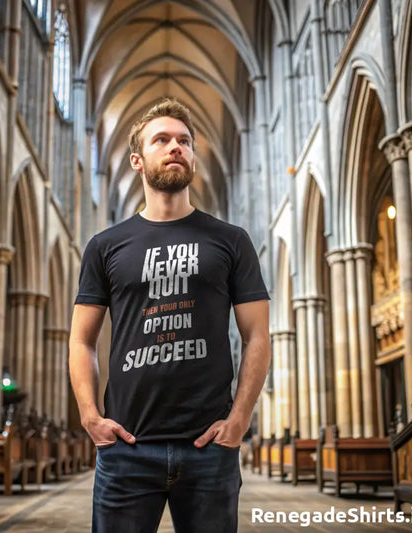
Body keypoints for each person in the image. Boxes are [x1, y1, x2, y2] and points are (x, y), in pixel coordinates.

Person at [69, 98, 271, 533]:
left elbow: (257, 335)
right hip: (127, 447)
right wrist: (89, 415)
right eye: (161, 139)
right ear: (138, 160)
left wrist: (240, 419)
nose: (175, 146)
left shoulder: (232, 241)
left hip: (209, 448)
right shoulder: (105, 246)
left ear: (194, 157)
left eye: (184, 141)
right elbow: (81, 340)